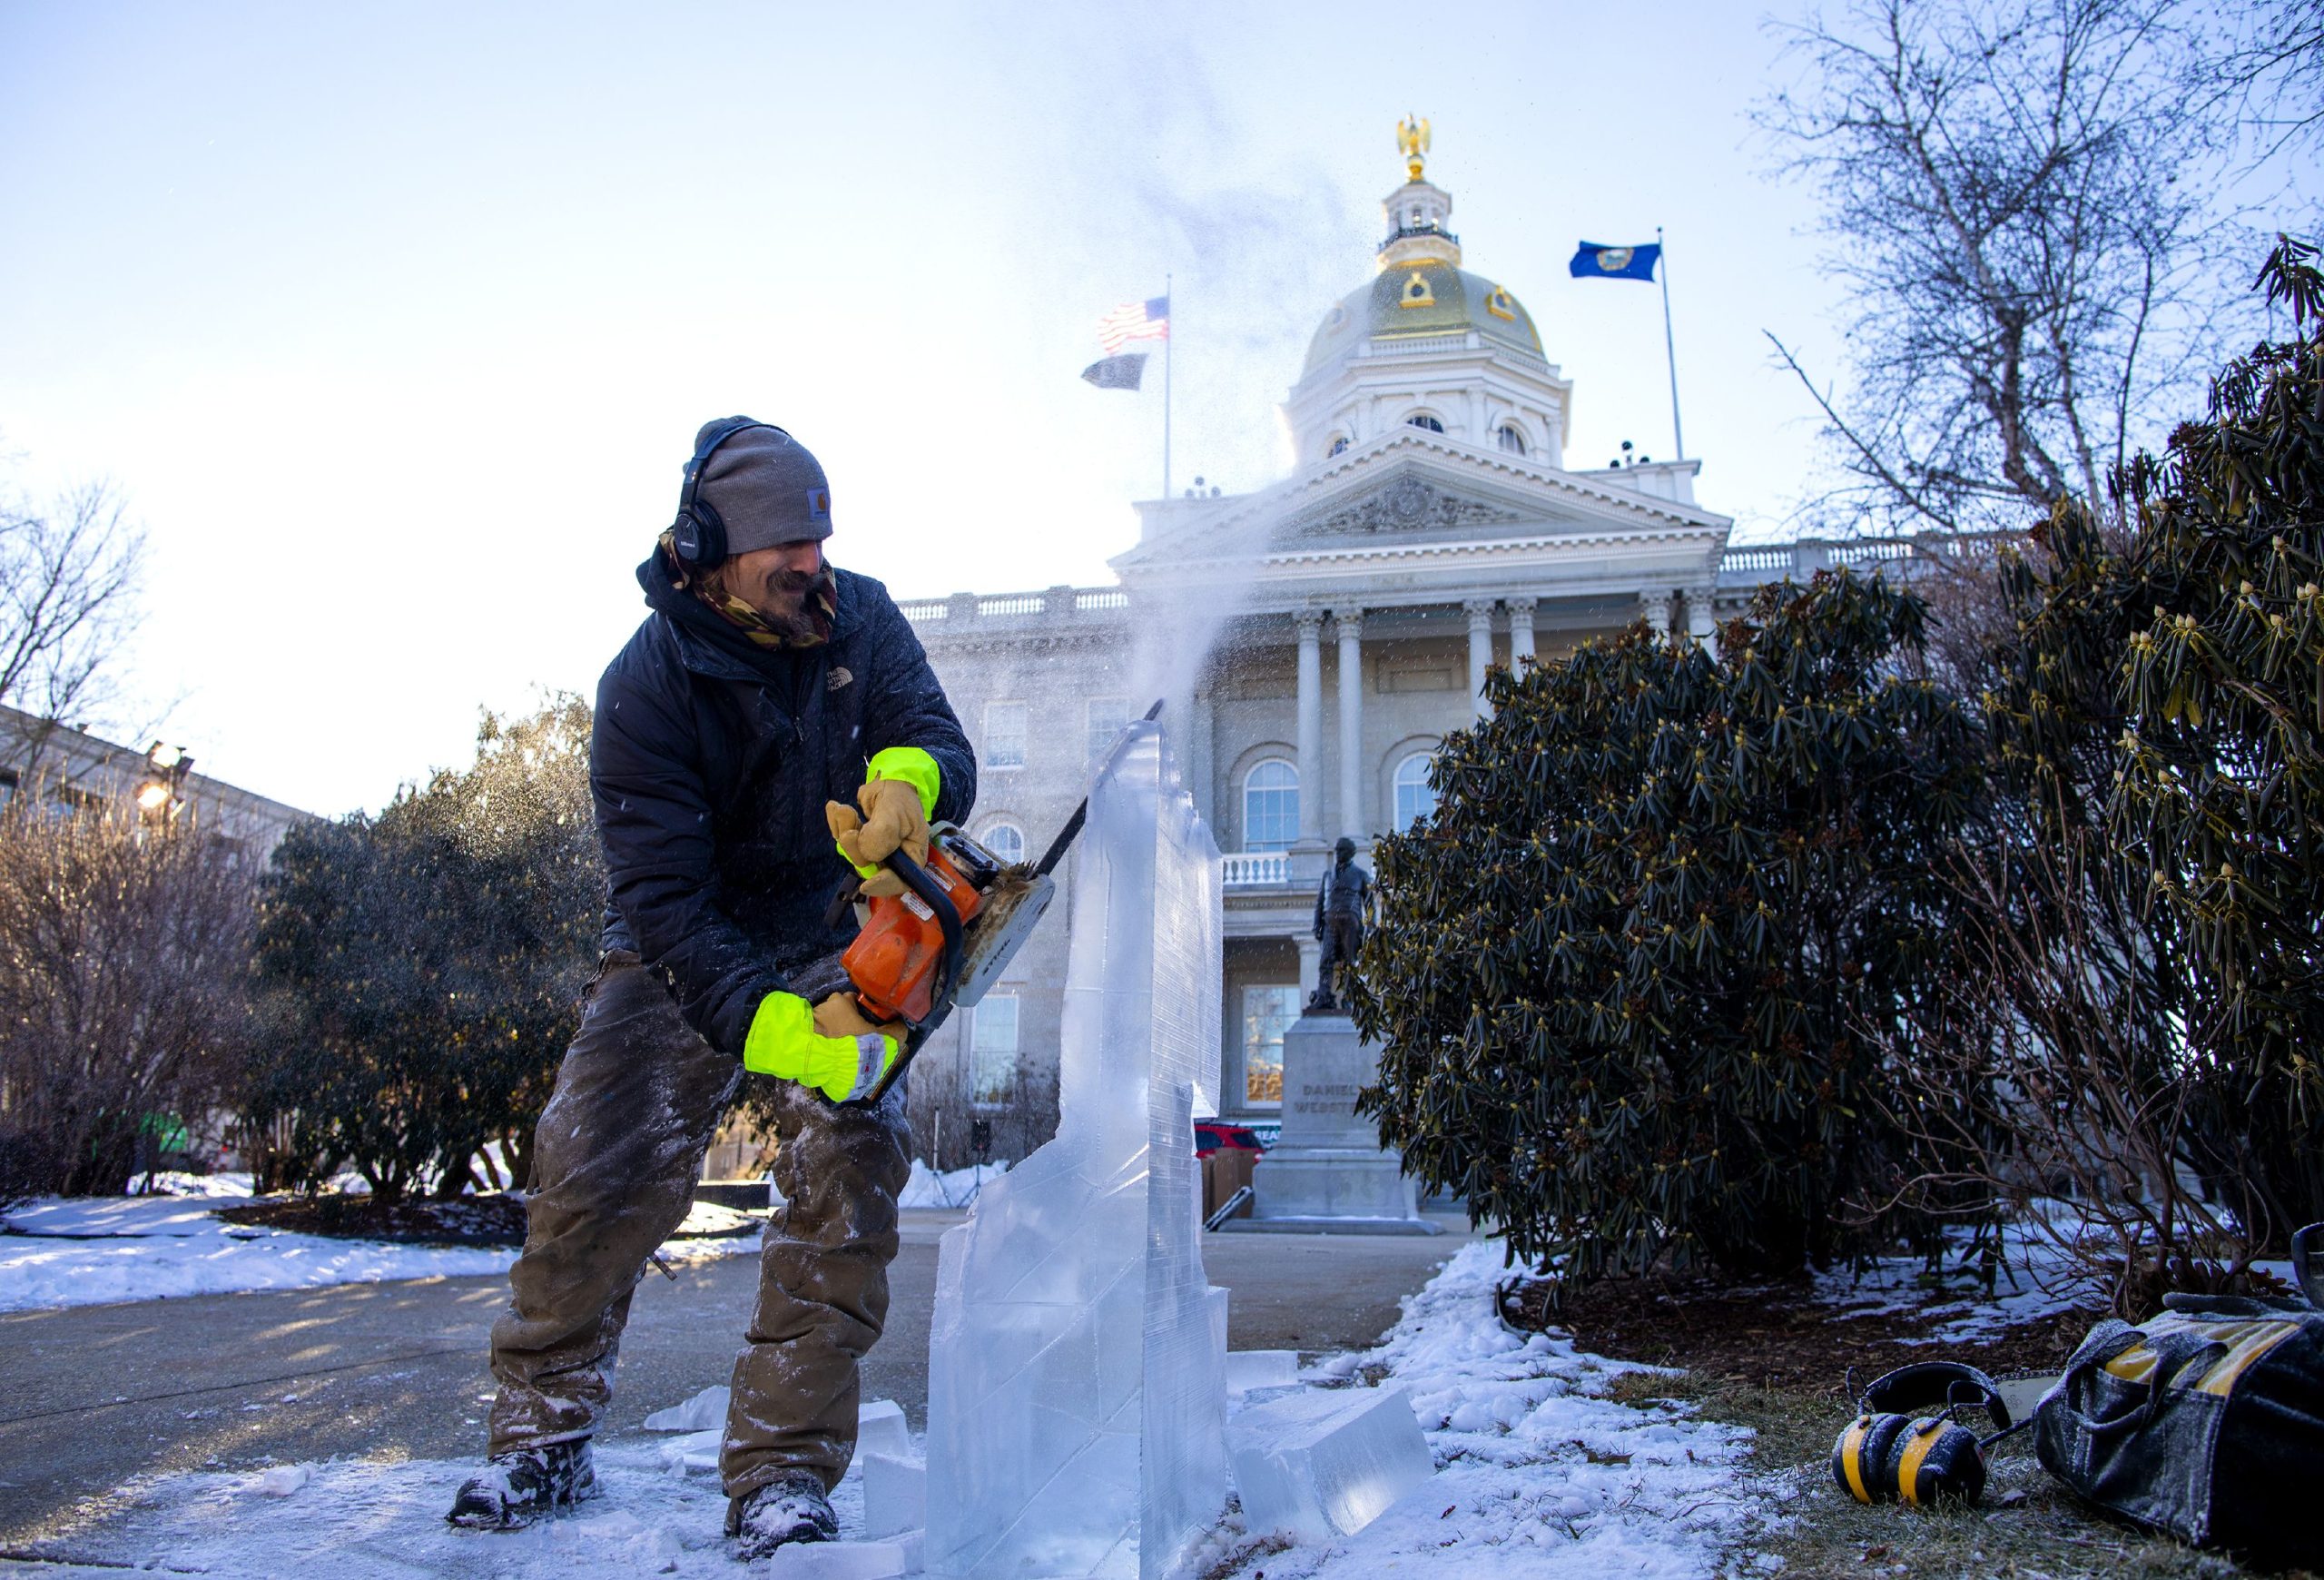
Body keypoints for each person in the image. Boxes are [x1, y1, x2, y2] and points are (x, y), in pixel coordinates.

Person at [447, 418, 974, 1557]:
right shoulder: (646, 684)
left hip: (834, 926)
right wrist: (777, 1030)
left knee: (852, 1162)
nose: (813, 565)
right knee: (595, 1167)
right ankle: (539, 1437)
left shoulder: (859, 618)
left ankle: (781, 1472)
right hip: (673, 945)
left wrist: (909, 780)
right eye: (788, 544)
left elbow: (937, 733)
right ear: (709, 549)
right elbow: (667, 904)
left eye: (821, 540)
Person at [1307, 835, 1371, 1012]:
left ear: (1351, 853)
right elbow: (1320, 902)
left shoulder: (1361, 875)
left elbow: (1370, 903)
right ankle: (1324, 996)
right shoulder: (1327, 875)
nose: (1338, 853)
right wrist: (1316, 924)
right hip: (1330, 922)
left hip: (1351, 922)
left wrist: (1371, 928)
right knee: (1325, 960)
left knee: (1350, 961)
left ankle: (1349, 997)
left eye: (1342, 850)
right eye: (1337, 850)